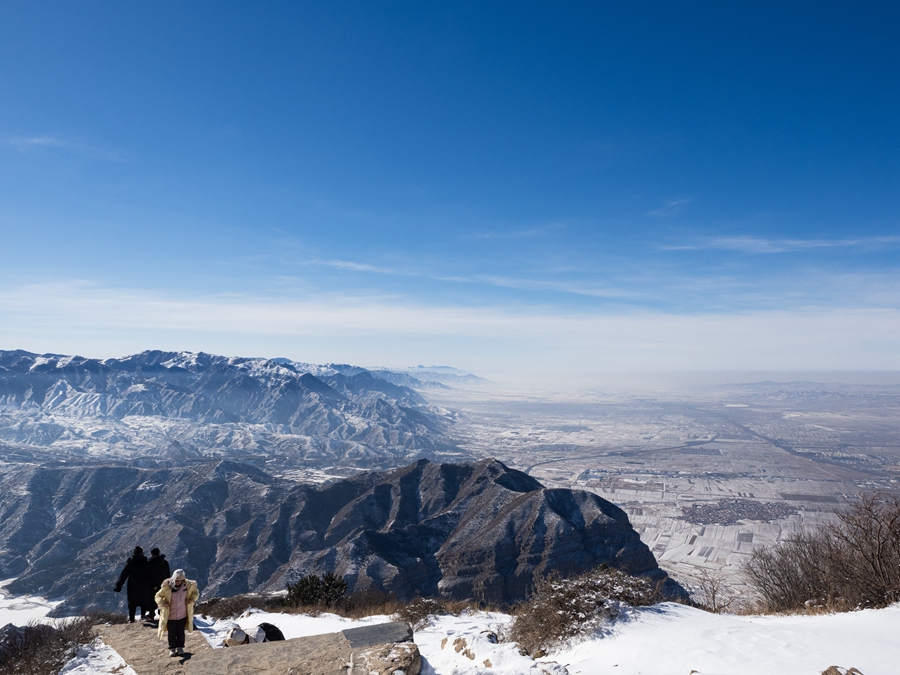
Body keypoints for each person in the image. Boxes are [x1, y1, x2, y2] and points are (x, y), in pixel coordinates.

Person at [154, 569, 199, 657]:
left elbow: (196, 592)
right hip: (170, 615)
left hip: (182, 614)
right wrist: (162, 603)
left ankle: (180, 647)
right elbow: (157, 596)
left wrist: (192, 599)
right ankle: (172, 648)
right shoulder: (167, 587)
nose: (178, 582)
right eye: (177, 580)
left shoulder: (188, 586)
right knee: (172, 632)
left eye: (180, 580)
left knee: (180, 632)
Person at [114, 546, 153, 623]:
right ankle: (143, 615)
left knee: (132, 602)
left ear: (134, 554)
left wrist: (119, 586)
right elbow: (151, 574)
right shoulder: (146, 563)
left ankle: (132, 619)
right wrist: (154, 584)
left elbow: (123, 575)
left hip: (132, 585)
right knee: (144, 600)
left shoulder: (130, 563)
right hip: (144, 584)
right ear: (142, 553)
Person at [147, 548, 171, 619]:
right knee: (162, 598)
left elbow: (148, 574)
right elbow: (168, 573)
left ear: (152, 554)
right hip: (163, 583)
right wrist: (168, 582)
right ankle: (161, 613)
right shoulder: (165, 562)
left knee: (152, 598)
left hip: (152, 584)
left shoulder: (149, 562)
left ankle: (151, 614)